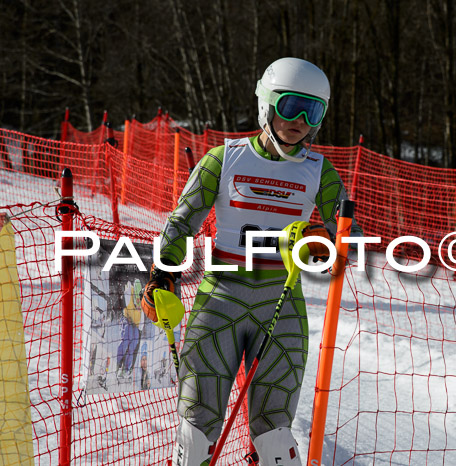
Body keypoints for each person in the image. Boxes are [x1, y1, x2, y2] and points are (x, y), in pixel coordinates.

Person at [141, 57, 362, 466]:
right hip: (220, 297)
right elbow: (181, 220)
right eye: (289, 105)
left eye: (311, 110)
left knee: (275, 434)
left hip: (280, 298)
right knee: (196, 429)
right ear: (266, 104)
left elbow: (349, 235)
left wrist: (326, 241)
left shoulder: (319, 171)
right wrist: (162, 274)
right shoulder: (224, 159)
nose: (298, 120)